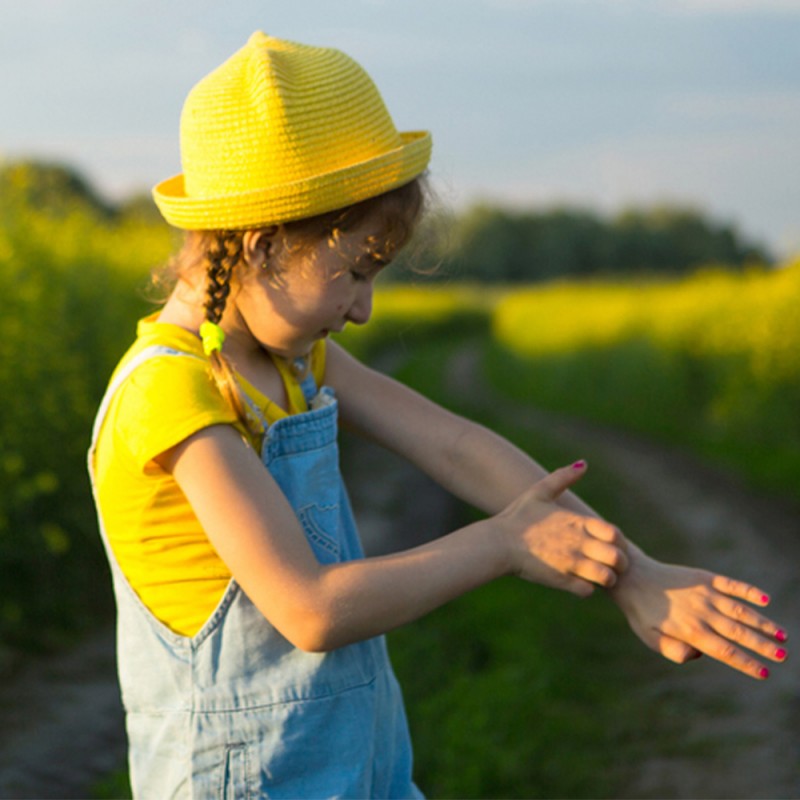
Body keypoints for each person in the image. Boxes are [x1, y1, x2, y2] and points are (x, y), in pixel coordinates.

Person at [88, 31, 788, 799]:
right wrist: (501, 545)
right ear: (257, 246)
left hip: (362, 771)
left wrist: (634, 575)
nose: (364, 309)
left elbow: (456, 447)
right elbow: (309, 609)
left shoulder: (293, 360)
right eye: (353, 273)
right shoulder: (169, 394)